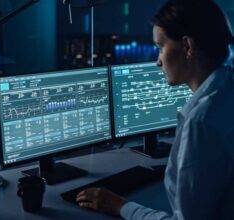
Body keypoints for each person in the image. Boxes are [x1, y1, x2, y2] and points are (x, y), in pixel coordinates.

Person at [76, 0, 234, 219]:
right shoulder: (227, 91)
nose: (158, 61)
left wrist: (120, 206)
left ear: (187, 46)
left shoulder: (201, 121)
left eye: (160, 48)